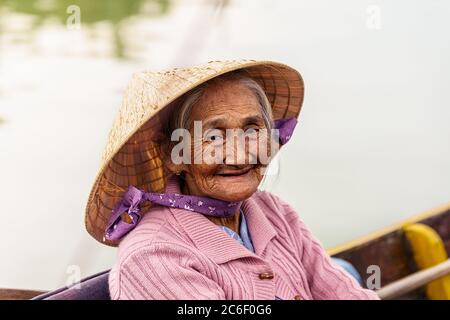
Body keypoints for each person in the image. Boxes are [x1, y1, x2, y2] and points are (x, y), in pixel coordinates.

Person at [84, 60, 379, 300]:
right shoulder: (154, 256)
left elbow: (343, 293)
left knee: (345, 271)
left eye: (252, 130)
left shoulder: (273, 212)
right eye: (214, 136)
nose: (239, 156)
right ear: (173, 154)